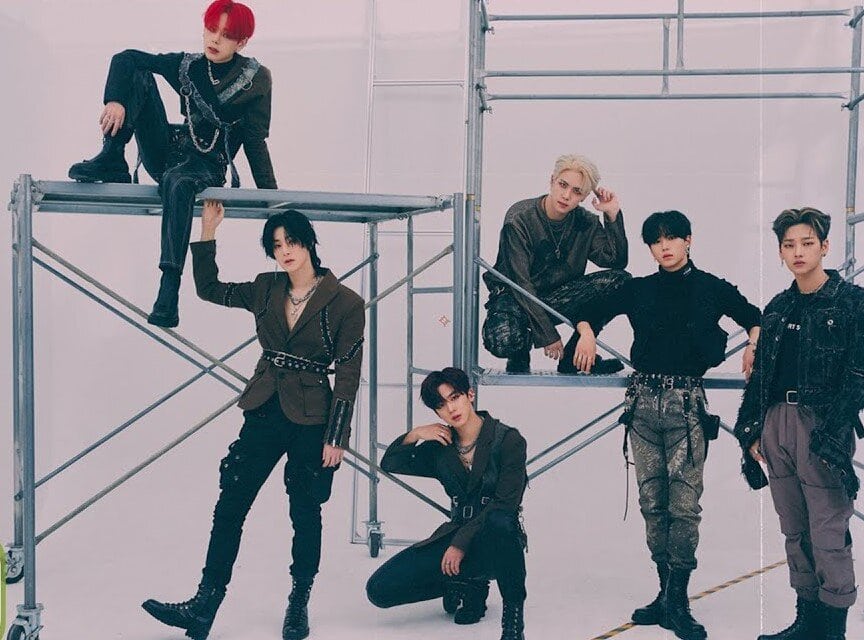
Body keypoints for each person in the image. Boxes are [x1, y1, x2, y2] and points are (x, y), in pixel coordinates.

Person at [141, 203, 364, 640]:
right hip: (264, 408)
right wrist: (208, 231)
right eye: (276, 245)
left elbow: (349, 374)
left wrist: (337, 436)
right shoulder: (265, 287)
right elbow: (209, 289)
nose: (285, 251)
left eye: (291, 241)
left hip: (313, 419)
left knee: (305, 511)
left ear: (309, 242)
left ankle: (298, 602)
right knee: (231, 503)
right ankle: (203, 606)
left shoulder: (346, 303)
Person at [572, 210, 761, 640]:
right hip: (641, 406)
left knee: (684, 506)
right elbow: (589, 310)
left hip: (686, 408)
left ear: (688, 239)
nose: (665, 246)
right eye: (656, 241)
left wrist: (754, 343)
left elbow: (754, 316)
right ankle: (665, 595)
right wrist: (586, 332)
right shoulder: (639, 289)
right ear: (650, 248)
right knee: (652, 503)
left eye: (672, 238)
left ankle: (678, 600)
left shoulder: (710, 287)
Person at [68, 0, 277, 328]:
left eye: (226, 35)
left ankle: (169, 288)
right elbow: (125, 58)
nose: (215, 39)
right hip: (167, 152)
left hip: (206, 165)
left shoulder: (256, 80)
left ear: (242, 42)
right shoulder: (188, 65)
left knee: (178, 182)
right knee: (138, 71)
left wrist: (272, 200)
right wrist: (116, 100)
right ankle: (112, 157)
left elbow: (254, 142)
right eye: (211, 29)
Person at [734, 207, 864, 640]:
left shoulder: (857, 304)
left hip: (821, 425)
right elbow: (762, 376)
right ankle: (807, 622)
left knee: (828, 529)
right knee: (794, 527)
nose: (798, 252)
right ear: (780, 252)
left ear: (824, 246)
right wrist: (751, 429)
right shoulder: (778, 308)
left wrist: (832, 433)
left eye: (806, 243)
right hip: (777, 423)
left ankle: (832, 629)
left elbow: (860, 375)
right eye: (789, 245)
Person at [366, 367, 529, 640]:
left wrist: (460, 544)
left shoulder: (508, 440)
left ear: (470, 395)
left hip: (495, 542)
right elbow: (391, 463)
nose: (451, 409)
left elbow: (505, 504)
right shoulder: (441, 447)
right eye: (441, 405)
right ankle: (464, 584)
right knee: (379, 590)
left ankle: (513, 620)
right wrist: (416, 434)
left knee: (501, 521)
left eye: (454, 398)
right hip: (455, 535)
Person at [482, 154, 630, 374]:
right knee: (503, 341)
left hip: (557, 297)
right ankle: (520, 348)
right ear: (552, 180)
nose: (566, 195)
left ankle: (573, 357)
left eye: (577, 191)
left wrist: (612, 215)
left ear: (584, 196)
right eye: (563, 185)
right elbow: (520, 282)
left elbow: (615, 261)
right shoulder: (520, 217)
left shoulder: (586, 222)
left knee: (620, 282)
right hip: (513, 297)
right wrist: (547, 334)